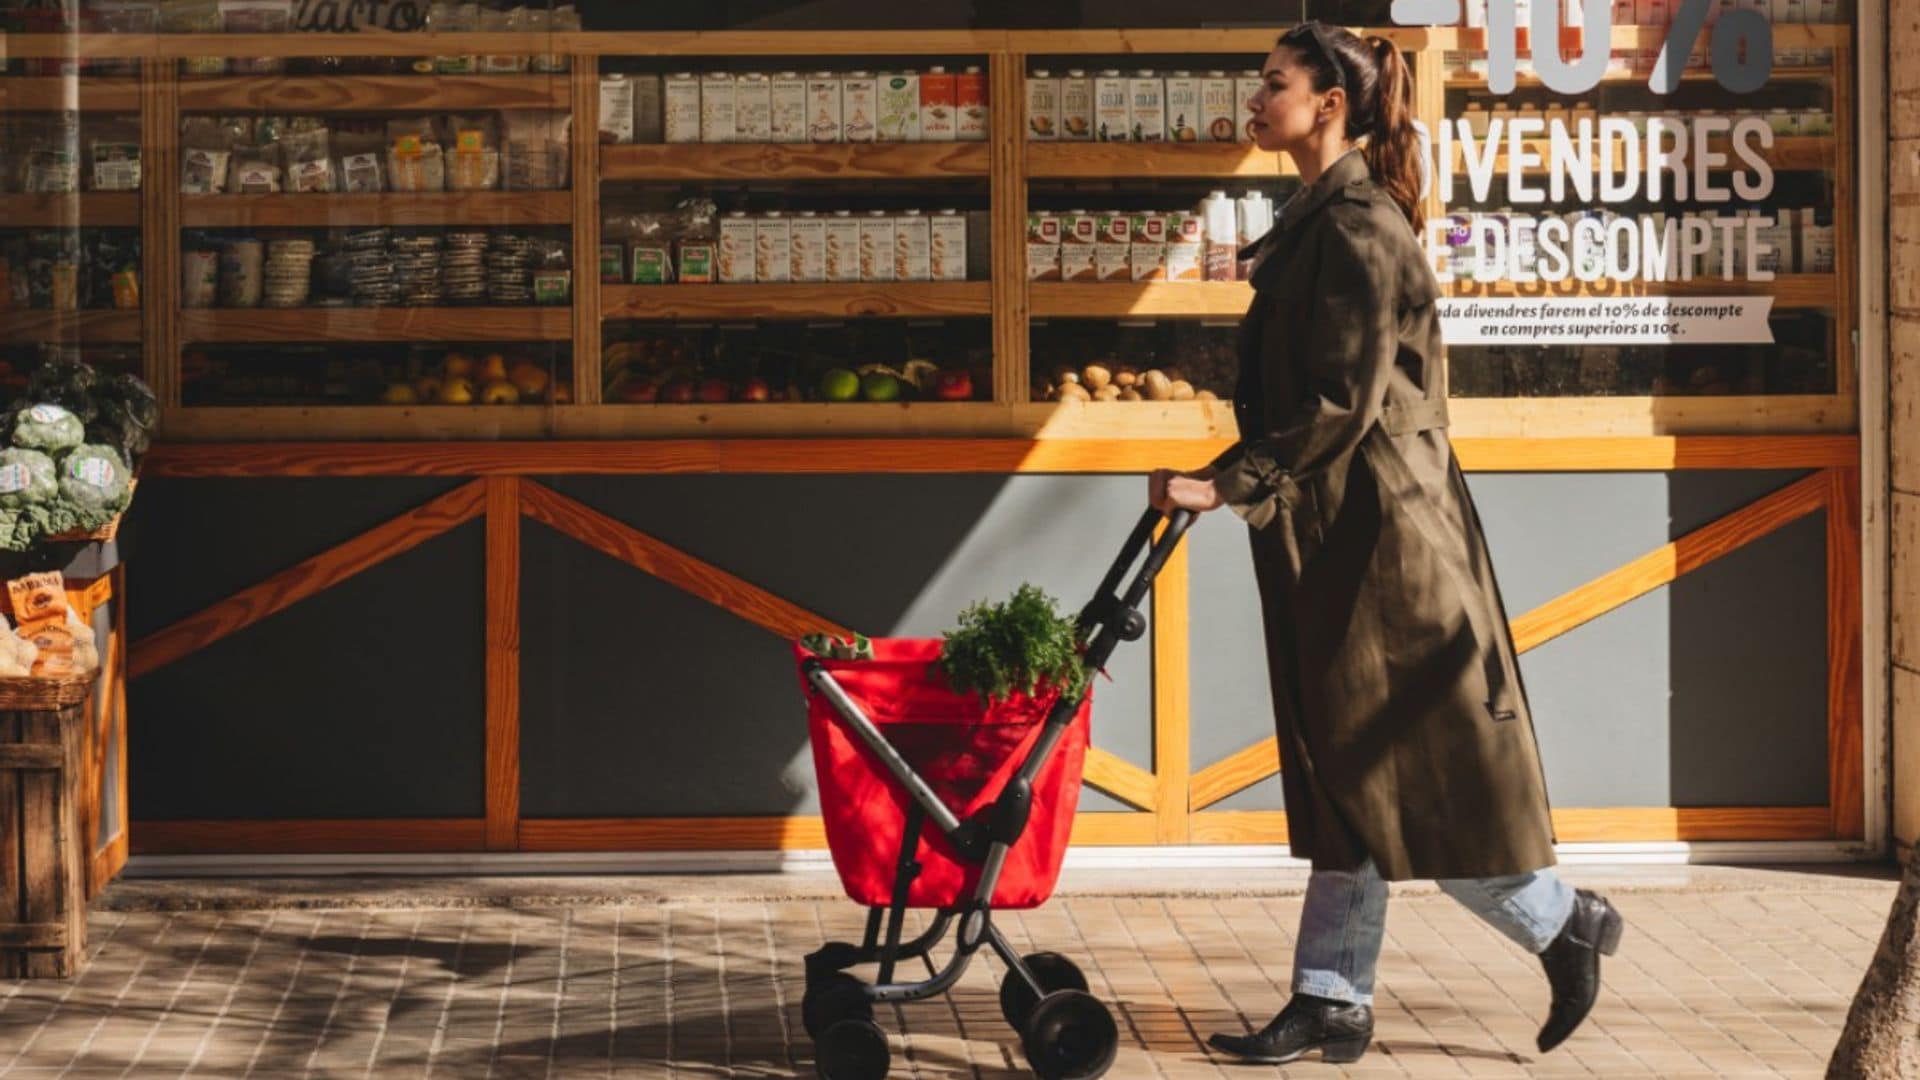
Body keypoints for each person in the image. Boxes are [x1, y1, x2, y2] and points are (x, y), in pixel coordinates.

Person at [1147, 21, 1624, 1066]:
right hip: (1341, 531)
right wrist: (1232, 474)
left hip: (1389, 549)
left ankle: (1561, 921)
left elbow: (1336, 400)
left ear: (1328, 105)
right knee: (1344, 762)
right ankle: (1332, 995)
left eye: (1274, 83)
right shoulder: (1317, 221)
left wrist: (1230, 482)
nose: (1255, 97)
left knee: (1409, 776)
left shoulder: (1359, 228)